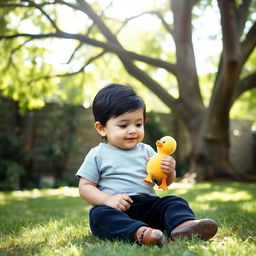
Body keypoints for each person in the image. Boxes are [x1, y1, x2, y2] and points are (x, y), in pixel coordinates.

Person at [76, 83, 218, 247]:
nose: (133, 130)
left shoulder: (147, 151)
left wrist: (169, 171)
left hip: (149, 205)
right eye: (123, 125)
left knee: (174, 202)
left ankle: (182, 227)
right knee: (99, 216)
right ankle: (142, 233)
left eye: (138, 124)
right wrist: (107, 199)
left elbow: (162, 181)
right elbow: (85, 187)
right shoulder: (97, 154)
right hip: (117, 208)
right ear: (102, 128)